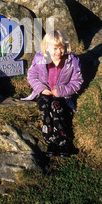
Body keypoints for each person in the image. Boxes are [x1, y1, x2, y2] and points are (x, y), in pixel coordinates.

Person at [23, 30, 83, 158]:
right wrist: (41, 88)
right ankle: (51, 141)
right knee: (45, 107)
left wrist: (61, 91)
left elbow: (77, 81)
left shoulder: (72, 61)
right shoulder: (40, 58)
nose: (58, 52)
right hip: (45, 92)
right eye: (55, 48)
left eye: (61, 48)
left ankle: (63, 142)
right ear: (46, 48)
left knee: (56, 107)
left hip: (61, 95)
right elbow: (32, 76)